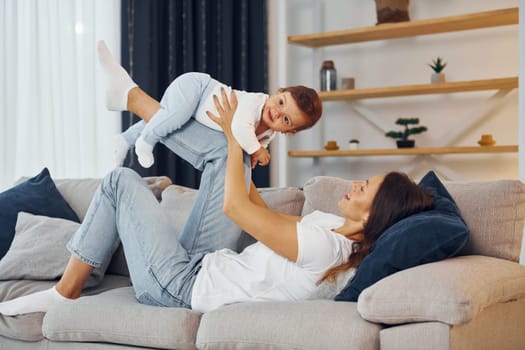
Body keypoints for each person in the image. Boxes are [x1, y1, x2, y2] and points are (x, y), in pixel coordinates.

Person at [0, 83, 433, 317]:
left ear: (377, 213)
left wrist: (231, 137)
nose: (355, 185)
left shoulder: (327, 247)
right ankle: (140, 103)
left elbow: (236, 210)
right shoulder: (325, 224)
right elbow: (258, 212)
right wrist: (239, 154)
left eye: (366, 189)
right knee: (221, 156)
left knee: (119, 180)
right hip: (208, 261)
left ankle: (65, 291)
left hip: (181, 289)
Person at [97, 40, 322, 169]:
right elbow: (239, 129)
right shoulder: (255, 103)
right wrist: (256, 151)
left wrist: (253, 155)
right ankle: (146, 140)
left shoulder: (267, 135)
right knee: (174, 118)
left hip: (199, 108)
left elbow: (244, 144)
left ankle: (125, 138)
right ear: (277, 92)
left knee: (166, 116)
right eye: (281, 102)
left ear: (289, 131)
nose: (276, 112)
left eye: (285, 119)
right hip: (198, 88)